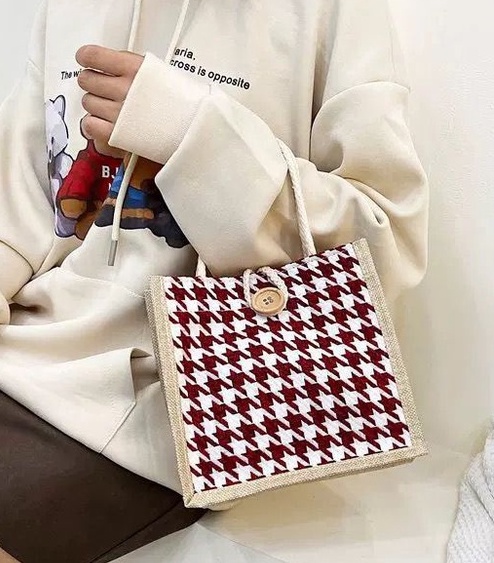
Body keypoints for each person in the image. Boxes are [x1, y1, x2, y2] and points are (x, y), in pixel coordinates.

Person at [0, 0, 429, 561]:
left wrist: (192, 132)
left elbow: (383, 251)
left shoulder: (333, 12)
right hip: (25, 348)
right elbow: (25, 203)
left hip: (182, 402)